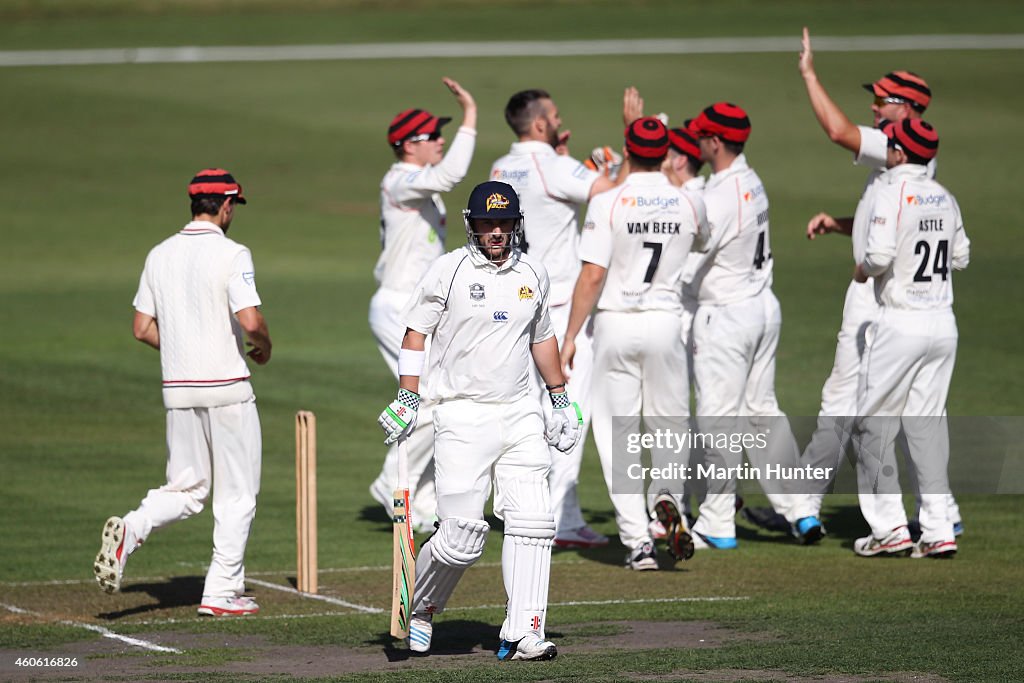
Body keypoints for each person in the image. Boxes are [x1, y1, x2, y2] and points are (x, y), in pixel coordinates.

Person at [769, 27, 962, 542]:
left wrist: (809, 75)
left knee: (850, 404)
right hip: (927, 307)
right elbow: (900, 224)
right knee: (918, 413)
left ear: (909, 109)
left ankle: (822, 507)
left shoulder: (899, 146)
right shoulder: (919, 169)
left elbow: (837, 132)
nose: (874, 107)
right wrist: (839, 225)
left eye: (881, 100)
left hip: (882, 298)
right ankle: (940, 516)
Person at [377, 181, 582, 660]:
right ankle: (423, 605)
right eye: (488, 222)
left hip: (519, 411)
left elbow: (542, 336)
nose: (496, 231)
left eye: (504, 222)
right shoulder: (447, 271)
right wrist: (408, 398)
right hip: (461, 414)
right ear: (472, 224)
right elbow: (415, 334)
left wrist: (558, 396)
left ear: (516, 224)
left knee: (533, 521)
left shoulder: (532, 271)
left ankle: (523, 631)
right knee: (461, 538)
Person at [93, 168, 272, 617]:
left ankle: (132, 528)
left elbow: (141, 328)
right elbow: (250, 321)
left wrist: (182, 349)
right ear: (227, 205)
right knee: (237, 494)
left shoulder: (159, 254)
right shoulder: (233, 253)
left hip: (178, 388)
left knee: (186, 488)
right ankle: (221, 591)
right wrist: (263, 346)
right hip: (228, 388)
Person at [561, 116, 707, 570]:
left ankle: (637, 541)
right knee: (670, 424)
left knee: (617, 433)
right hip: (666, 322)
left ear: (628, 147)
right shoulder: (689, 201)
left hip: (616, 324)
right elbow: (703, 239)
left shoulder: (609, 201)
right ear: (666, 153)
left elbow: (592, 274)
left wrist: (568, 336)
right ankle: (666, 502)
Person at [489, 88, 619, 550]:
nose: (561, 121)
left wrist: (570, 163)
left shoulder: (501, 168)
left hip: (516, 302)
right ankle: (556, 518)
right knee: (567, 413)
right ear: (541, 125)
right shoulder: (555, 166)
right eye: (556, 116)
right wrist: (611, 166)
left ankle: (538, 509)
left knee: (528, 410)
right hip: (560, 309)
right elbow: (612, 198)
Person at [686, 103, 805, 550]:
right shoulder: (752, 182)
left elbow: (693, 248)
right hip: (762, 307)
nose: (697, 143)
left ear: (715, 142)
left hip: (728, 315)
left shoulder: (719, 195)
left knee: (719, 420)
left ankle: (717, 522)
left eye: (701, 137)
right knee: (762, 413)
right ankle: (801, 509)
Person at [851, 119, 969, 558]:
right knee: (928, 428)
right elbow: (961, 256)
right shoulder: (945, 195)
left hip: (902, 321)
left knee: (870, 425)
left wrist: (864, 268)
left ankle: (889, 529)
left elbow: (878, 257)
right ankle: (938, 530)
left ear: (898, 152)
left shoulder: (891, 190)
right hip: (943, 323)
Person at [368, 77, 477, 533]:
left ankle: (427, 502)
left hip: (421, 310)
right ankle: (394, 481)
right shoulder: (401, 180)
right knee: (429, 399)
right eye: (434, 136)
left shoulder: (419, 187)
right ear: (410, 145)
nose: (441, 141)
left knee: (443, 401)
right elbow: (452, 175)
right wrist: (471, 115)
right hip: (399, 308)